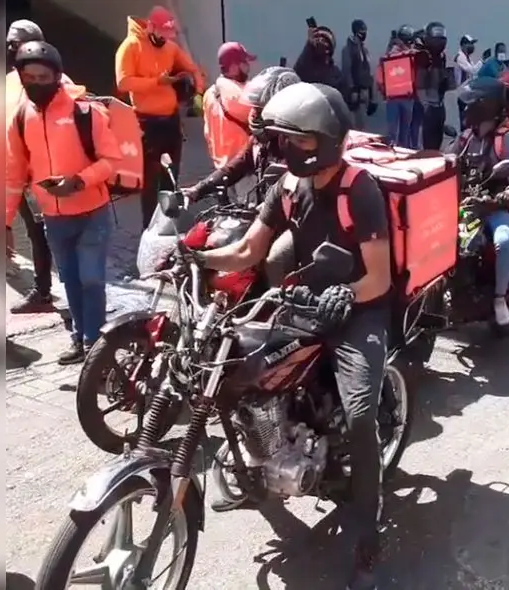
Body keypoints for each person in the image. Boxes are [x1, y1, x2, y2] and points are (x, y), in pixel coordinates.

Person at [179, 82, 392, 590]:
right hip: (301, 300)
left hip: (358, 309)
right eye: (281, 140)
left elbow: (379, 277)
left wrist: (347, 295)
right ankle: (258, 465)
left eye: (294, 141)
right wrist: (197, 258)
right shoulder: (290, 188)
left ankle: (368, 526)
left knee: (361, 414)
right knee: (238, 370)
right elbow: (250, 250)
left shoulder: (359, 189)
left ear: (322, 140)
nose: (283, 149)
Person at [6, 41, 122, 363]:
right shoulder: (20, 118)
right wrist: (5, 221)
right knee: (70, 279)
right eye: (28, 77)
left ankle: (95, 343)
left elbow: (111, 160)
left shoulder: (85, 111)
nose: (35, 84)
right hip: (54, 219)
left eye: (42, 77)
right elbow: (14, 174)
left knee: (91, 279)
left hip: (92, 214)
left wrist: (79, 181)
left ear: (57, 76)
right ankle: (80, 340)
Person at [446, 76, 509, 325]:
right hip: (465, 206)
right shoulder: (464, 139)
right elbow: (445, 164)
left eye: (469, 104)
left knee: (503, 240)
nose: (464, 109)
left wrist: (506, 196)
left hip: (495, 207)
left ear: (484, 106)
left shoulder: (506, 140)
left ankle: (499, 297)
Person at [115, 5, 205, 229]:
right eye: (163, 32)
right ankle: (149, 229)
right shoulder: (130, 47)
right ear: (152, 27)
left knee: (171, 176)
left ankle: (169, 227)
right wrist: (157, 82)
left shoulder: (171, 47)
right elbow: (123, 83)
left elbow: (193, 68)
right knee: (150, 181)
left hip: (171, 121)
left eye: (170, 33)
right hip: (146, 123)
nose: (167, 38)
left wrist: (198, 87)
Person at [5, 19, 72, 313]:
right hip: (15, 175)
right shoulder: (7, 81)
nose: (11, 48)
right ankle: (43, 291)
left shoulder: (58, 82)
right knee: (36, 234)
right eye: (9, 43)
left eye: (16, 42)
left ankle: (71, 298)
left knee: (52, 236)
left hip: (47, 177)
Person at [182, 67, 302, 205]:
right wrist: (198, 190)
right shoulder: (259, 141)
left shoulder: (297, 147)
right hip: (265, 215)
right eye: (255, 108)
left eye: (261, 110)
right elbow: (235, 166)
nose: (255, 114)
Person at [202, 41, 256, 202]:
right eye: (244, 63)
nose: (248, 66)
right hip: (242, 169)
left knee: (229, 218)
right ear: (233, 67)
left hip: (221, 169)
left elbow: (207, 132)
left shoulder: (210, 93)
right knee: (249, 218)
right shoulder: (239, 93)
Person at [380, 25, 417, 148]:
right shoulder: (396, 54)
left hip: (398, 98)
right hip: (402, 98)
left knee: (398, 134)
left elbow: (380, 77)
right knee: (398, 135)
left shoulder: (391, 53)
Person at [414, 21, 450, 150]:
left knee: (437, 143)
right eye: (437, 35)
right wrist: (426, 107)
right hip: (429, 107)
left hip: (439, 105)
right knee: (428, 145)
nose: (440, 40)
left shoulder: (441, 57)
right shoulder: (423, 56)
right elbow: (420, 86)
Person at [294, 23, 349, 96]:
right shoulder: (307, 66)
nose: (320, 42)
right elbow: (299, 72)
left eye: (324, 40)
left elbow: (343, 96)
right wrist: (309, 45)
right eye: (317, 40)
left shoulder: (336, 74)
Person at [341, 19, 377, 130]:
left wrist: (372, 96)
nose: (364, 34)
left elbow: (368, 71)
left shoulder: (364, 49)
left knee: (364, 123)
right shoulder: (348, 49)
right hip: (357, 91)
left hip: (366, 91)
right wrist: (352, 89)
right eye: (362, 31)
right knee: (358, 124)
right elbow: (347, 70)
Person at [454, 34, 485, 124]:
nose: (472, 46)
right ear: (463, 45)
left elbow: (474, 74)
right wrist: (482, 61)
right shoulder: (460, 57)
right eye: (470, 44)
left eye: (472, 44)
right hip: (463, 93)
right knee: (465, 122)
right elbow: (472, 70)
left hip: (469, 93)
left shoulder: (468, 58)